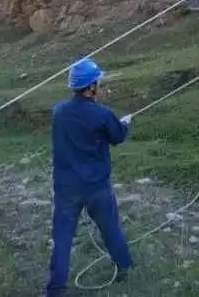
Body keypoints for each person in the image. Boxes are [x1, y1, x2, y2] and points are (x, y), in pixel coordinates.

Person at [45, 59, 133, 297]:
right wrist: (125, 124)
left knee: (62, 239)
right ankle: (124, 266)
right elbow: (117, 137)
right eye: (98, 82)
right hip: (96, 187)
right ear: (91, 86)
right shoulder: (103, 114)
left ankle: (54, 290)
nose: (101, 85)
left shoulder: (59, 112)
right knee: (110, 228)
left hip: (66, 188)